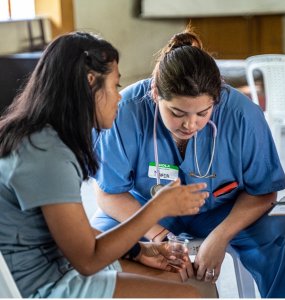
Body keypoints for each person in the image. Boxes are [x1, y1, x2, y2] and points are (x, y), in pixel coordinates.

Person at [0, 31, 218, 298]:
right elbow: (88, 261)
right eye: (115, 86)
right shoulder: (47, 154)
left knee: (191, 282)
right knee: (192, 295)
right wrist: (158, 208)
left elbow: (72, 234)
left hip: (57, 267)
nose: (118, 97)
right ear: (91, 83)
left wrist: (139, 250)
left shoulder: (43, 138)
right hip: (43, 286)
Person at [90, 27, 285, 298]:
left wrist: (220, 237)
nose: (190, 124)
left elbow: (263, 192)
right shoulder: (126, 110)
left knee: (284, 235)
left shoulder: (242, 115)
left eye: (203, 113)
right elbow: (108, 192)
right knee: (98, 249)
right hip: (143, 209)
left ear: (217, 99)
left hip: (223, 210)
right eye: (177, 112)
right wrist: (159, 236)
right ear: (155, 93)